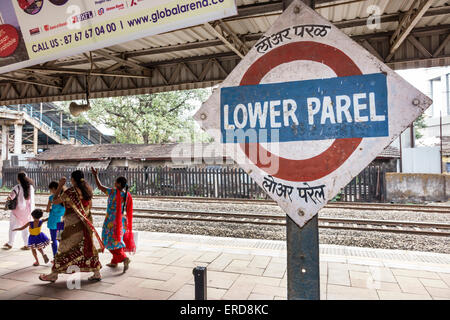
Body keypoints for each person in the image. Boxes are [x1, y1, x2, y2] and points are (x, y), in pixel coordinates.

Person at [39, 170, 104, 283]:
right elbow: (90, 207)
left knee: (63, 249)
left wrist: (60, 185)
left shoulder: (70, 192)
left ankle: (54, 275)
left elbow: (54, 201)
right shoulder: (88, 190)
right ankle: (97, 273)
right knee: (88, 247)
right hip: (85, 225)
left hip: (71, 227)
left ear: (73, 179)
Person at [91, 167, 135, 273]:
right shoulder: (127, 195)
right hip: (122, 222)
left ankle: (123, 258)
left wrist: (95, 175)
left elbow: (100, 187)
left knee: (107, 240)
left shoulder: (113, 192)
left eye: (116, 182)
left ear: (119, 184)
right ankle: (114, 261)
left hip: (112, 221)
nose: (114, 183)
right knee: (116, 240)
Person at [3, 171, 35, 250]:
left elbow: (11, 197)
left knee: (13, 227)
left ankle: (10, 243)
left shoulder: (17, 187)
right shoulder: (31, 187)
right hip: (27, 212)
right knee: (25, 228)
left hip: (17, 212)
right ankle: (27, 244)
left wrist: (8, 198)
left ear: (18, 179)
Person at [45, 181, 66, 259]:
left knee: (53, 240)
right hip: (61, 221)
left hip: (53, 221)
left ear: (54, 189)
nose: (51, 191)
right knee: (60, 239)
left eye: (51, 189)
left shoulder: (51, 198)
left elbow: (47, 210)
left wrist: (51, 210)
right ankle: (63, 255)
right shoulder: (63, 197)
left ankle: (55, 257)